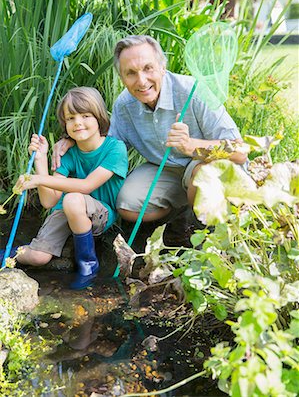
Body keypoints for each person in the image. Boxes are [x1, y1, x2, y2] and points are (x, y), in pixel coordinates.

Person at [52, 35, 247, 246]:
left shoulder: (194, 91)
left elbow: (240, 150)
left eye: (148, 68)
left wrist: (191, 145)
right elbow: (108, 146)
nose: (142, 80)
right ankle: (177, 216)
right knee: (126, 206)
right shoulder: (124, 106)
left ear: (162, 67)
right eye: (131, 73)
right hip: (166, 170)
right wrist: (74, 137)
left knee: (200, 175)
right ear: (122, 77)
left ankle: (200, 233)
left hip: (206, 166)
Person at [1, 87, 128, 289]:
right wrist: (41, 160)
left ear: (99, 117)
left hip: (99, 213)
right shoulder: (67, 154)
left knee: (73, 199)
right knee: (38, 257)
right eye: (70, 118)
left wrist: (39, 180)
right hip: (65, 210)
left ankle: (87, 265)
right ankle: (5, 255)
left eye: (85, 115)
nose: (77, 122)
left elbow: (87, 186)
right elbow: (49, 201)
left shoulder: (115, 148)